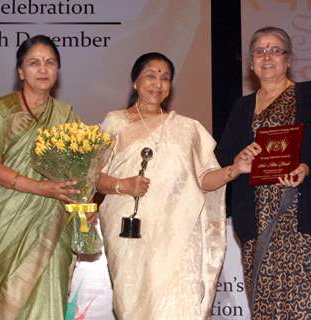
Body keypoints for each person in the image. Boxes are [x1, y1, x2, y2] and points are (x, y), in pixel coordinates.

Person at [96, 52, 246, 320]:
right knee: (134, 307)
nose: (158, 83)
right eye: (150, 76)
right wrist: (124, 185)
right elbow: (95, 177)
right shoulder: (115, 122)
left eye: (165, 78)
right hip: (131, 233)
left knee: (181, 306)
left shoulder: (188, 128)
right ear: (135, 82)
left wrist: (234, 170)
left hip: (181, 233)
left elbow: (204, 179)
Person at [215, 26, 311, 319]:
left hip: (307, 226)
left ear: (288, 61)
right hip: (259, 229)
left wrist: (308, 167)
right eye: (259, 51)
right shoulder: (241, 108)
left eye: (276, 50)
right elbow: (222, 159)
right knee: (269, 312)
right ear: (251, 63)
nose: (267, 56)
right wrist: (237, 159)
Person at [0, 35, 80, 320]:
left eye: (50, 62)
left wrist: (83, 206)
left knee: (50, 293)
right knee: (9, 299)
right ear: (20, 72)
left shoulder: (65, 113)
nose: (43, 69)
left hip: (52, 218)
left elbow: (80, 169)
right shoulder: (1, 109)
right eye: (34, 63)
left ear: (58, 70)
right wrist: (40, 188)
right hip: (8, 218)